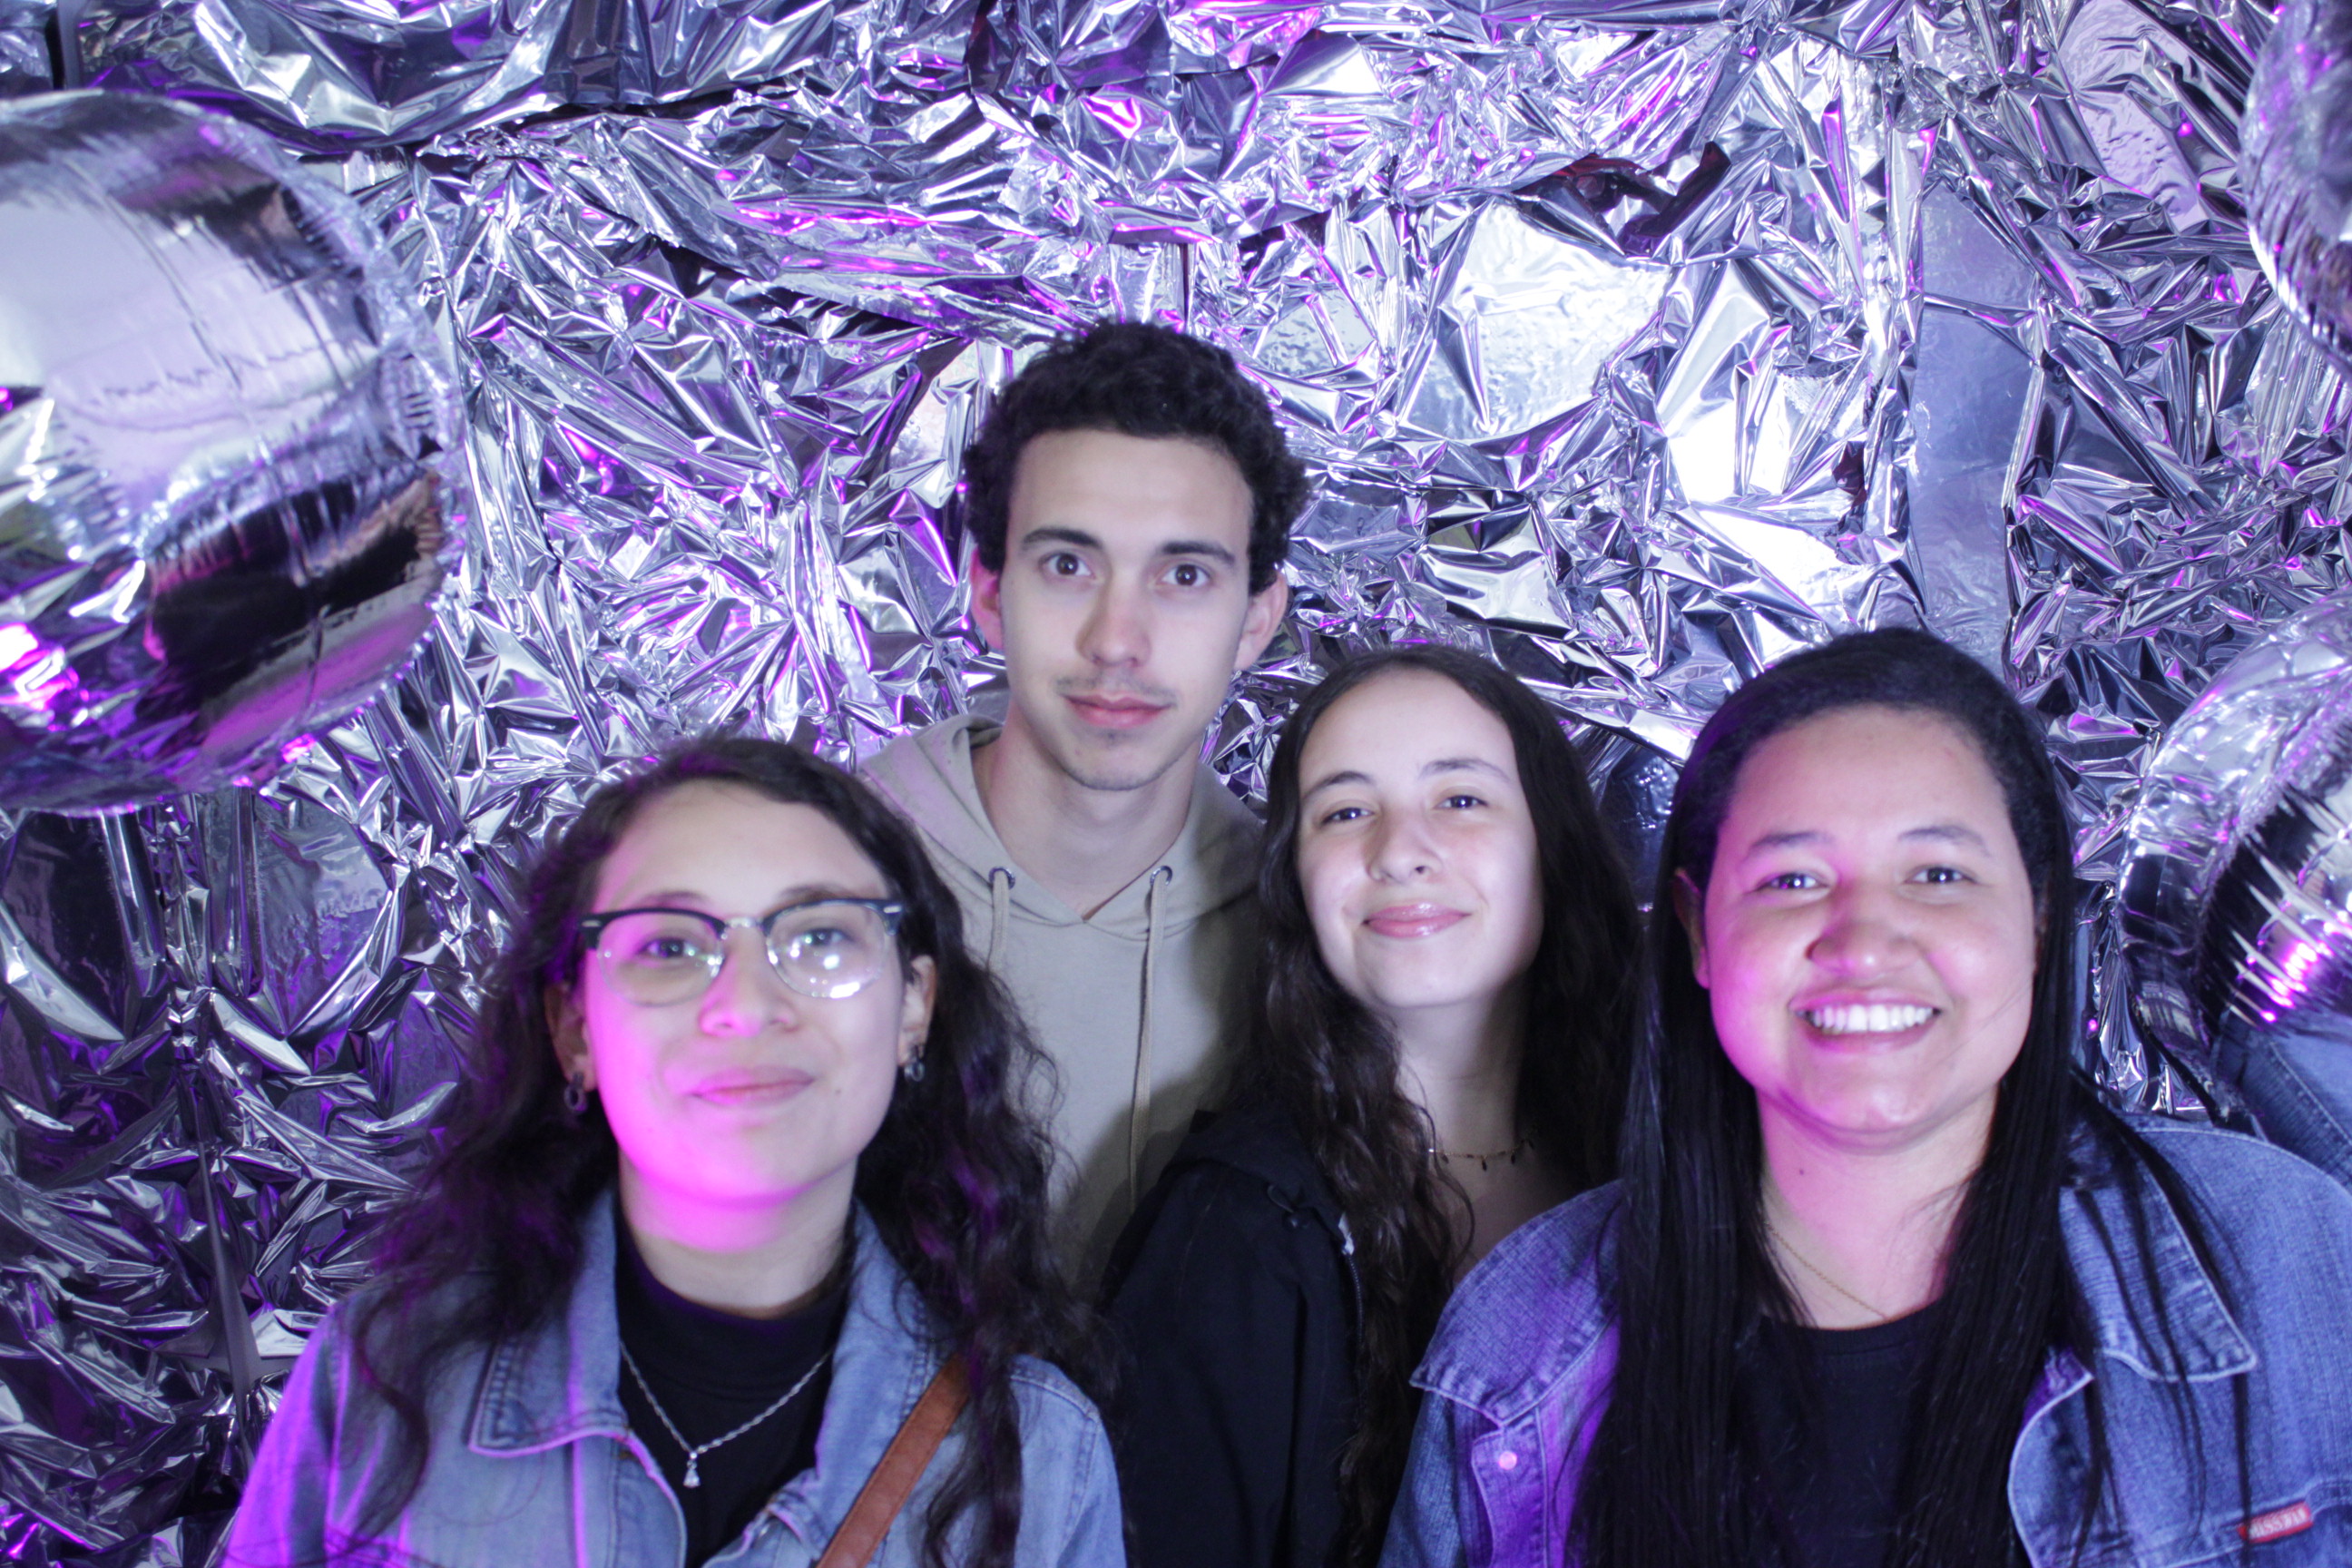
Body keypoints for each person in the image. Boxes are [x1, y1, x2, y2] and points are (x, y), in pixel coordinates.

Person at [1384, 627, 2352, 1568]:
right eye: (1792, 879)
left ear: (2038, 921)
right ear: (1699, 931)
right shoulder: (1518, 1344)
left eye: (1938, 874)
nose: (1864, 941)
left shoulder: (2285, 1254)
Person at [226, 738, 1122, 1568]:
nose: (747, 1006)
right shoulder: (379, 1377)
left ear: (913, 1008)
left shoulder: (1045, 1461)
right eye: (668, 946)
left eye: (820, 936)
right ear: (574, 1028)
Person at [1104, 645, 1641, 1568]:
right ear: (1295, 880)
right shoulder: (1232, 1233)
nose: (1398, 852)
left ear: (1550, 842)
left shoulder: (1668, 1164)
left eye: (1461, 799)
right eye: (1345, 812)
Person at [864, 319, 1307, 1267]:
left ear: (1255, 620)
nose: (1117, 641)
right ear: (989, 593)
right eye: (1069, 565)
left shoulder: (1309, 938)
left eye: (1184, 575)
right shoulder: (827, 879)